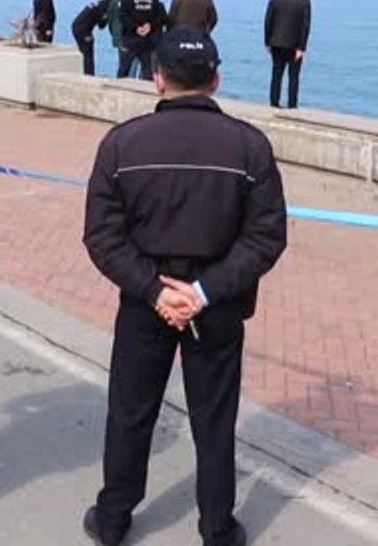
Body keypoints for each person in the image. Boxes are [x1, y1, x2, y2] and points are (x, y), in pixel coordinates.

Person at [82, 27, 288, 546]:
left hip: (145, 300)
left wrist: (155, 290)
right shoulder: (250, 146)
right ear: (215, 79)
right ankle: (216, 526)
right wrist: (202, 291)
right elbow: (266, 237)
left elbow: (102, 237)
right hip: (216, 303)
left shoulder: (122, 144)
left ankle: (113, 517)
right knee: (214, 418)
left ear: (157, 79)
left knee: (130, 411)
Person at [263, 0, 312, 109]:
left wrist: (267, 41)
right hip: (295, 46)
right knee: (294, 77)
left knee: (276, 74)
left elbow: (268, 21)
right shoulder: (304, 2)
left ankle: (274, 103)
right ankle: (292, 105)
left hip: (276, 43)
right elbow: (306, 27)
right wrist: (302, 48)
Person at [116, 0, 166, 80]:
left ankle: (120, 86)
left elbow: (122, 17)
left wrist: (135, 27)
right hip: (147, 40)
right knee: (147, 69)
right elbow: (160, 18)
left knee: (124, 68)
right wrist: (149, 26)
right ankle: (146, 88)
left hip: (130, 39)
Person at [71, 0, 113, 76]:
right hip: (84, 30)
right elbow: (101, 26)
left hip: (76, 26)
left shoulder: (97, 5)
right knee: (88, 53)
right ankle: (89, 74)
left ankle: (86, 72)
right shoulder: (101, 10)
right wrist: (108, 17)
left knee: (84, 52)